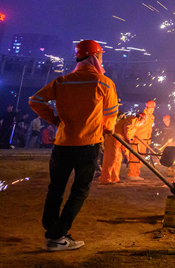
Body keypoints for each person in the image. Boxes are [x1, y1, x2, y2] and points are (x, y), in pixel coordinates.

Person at [29, 39, 118, 251]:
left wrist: (54, 120)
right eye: (100, 55)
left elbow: (35, 101)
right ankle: (58, 235)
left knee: (56, 189)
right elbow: (110, 118)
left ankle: (52, 231)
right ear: (95, 57)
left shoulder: (62, 81)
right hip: (88, 145)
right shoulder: (104, 83)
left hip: (62, 144)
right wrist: (107, 129)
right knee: (80, 190)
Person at [99, 112, 144, 185]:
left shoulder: (134, 126)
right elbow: (126, 129)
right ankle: (105, 179)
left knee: (118, 159)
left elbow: (125, 141)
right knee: (111, 159)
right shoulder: (133, 120)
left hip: (118, 141)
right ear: (141, 119)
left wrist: (126, 154)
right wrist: (127, 139)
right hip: (113, 139)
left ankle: (114, 178)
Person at [127, 100, 155, 179]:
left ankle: (136, 173)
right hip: (138, 138)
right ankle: (132, 174)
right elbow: (135, 126)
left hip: (145, 140)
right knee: (135, 157)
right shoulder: (142, 115)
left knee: (141, 157)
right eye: (151, 108)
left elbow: (149, 129)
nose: (152, 109)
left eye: (153, 108)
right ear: (146, 107)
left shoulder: (152, 117)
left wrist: (149, 139)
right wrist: (132, 136)